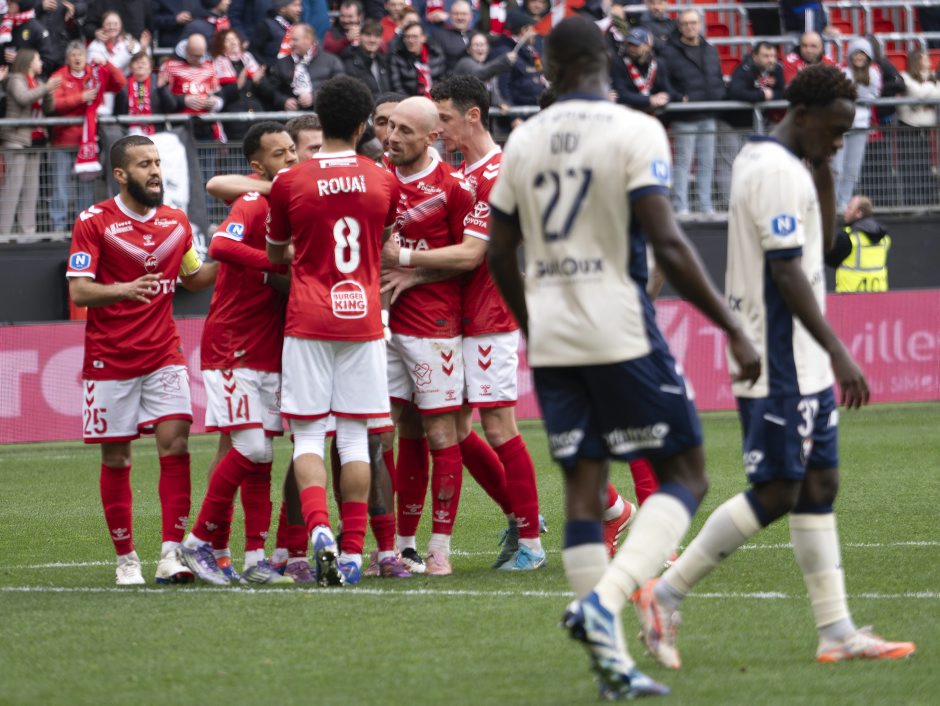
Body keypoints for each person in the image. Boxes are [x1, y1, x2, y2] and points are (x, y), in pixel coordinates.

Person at [486, 15, 760, 699]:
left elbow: (498, 251)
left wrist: (532, 325)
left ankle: (610, 663)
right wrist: (731, 326)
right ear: (604, 62)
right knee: (688, 473)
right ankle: (605, 604)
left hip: (553, 336)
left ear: (548, 68)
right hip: (619, 326)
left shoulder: (523, 140)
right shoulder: (635, 129)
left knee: (584, 485)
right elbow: (666, 240)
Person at [635, 63, 915, 671]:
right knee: (779, 489)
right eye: (834, 131)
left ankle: (835, 631)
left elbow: (829, 250)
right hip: (776, 356)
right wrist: (840, 351)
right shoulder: (770, 170)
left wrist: (825, 171)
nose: (839, 142)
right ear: (802, 115)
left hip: (804, 361)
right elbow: (788, 272)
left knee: (819, 486)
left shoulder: (796, 165)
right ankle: (665, 592)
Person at [381, 75, 547, 570]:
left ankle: (536, 540)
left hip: (490, 314)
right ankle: (521, 518)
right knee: (453, 426)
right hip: (458, 313)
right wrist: (417, 276)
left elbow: (474, 254)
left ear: (473, 116)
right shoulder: (464, 172)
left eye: (445, 119)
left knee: (497, 425)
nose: (439, 130)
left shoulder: (497, 172)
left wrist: (405, 261)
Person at [267, 75, 401, 586]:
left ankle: (319, 529)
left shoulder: (290, 181)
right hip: (362, 318)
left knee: (307, 435)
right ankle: (351, 554)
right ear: (364, 124)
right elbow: (383, 242)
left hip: (308, 317)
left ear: (319, 121)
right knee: (354, 438)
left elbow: (276, 254)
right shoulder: (382, 179)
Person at [65, 134, 217, 585]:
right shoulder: (94, 222)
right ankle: (126, 559)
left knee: (176, 445)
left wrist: (236, 255)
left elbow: (193, 278)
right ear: (120, 174)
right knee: (116, 458)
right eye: (144, 164)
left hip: (164, 353)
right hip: (109, 358)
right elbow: (79, 290)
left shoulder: (176, 221)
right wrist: (122, 290)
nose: (155, 172)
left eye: (157, 163)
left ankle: (171, 555)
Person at [177, 122, 297, 586]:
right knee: (250, 447)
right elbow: (222, 245)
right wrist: (274, 264)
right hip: (233, 345)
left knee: (263, 456)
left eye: (292, 150)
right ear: (257, 167)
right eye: (279, 153)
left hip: (269, 346)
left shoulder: (293, 203)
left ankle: (254, 560)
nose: (290, 158)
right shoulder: (253, 201)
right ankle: (199, 542)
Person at [382, 96, 480, 576]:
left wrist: (413, 271)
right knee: (387, 431)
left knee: (441, 432)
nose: (392, 137)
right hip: (379, 324)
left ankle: (440, 547)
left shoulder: (455, 187)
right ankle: (397, 546)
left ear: (431, 137)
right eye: (389, 127)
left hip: (434, 324)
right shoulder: (376, 177)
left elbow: (469, 257)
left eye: (404, 131)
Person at [48, 40, 126, 231]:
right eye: (73, 55)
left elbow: (120, 83)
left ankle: (83, 227)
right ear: (67, 59)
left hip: (87, 143)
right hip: (63, 141)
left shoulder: (94, 74)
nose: (77, 58)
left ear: (86, 57)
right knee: (60, 186)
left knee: (85, 188)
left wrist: (107, 64)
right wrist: (81, 98)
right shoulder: (59, 76)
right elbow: (54, 105)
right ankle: (58, 228)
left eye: (80, 55)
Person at [661, 8, 725, 217]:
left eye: (694, 23)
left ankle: (706, 206)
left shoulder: (710, 50)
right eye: (685, 23)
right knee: (683, 163)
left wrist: (717, 98)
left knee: (707, 163)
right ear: (679, 27)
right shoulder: (669, 52)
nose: (690, 27)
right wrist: (679, 98)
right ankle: (681, 207)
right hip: (684, 116)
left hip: (708, 114)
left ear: (700, 25)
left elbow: (716, 78)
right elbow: (664, 82)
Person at [0, 48, 59, 238]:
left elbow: (49, 108)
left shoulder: (40, 82)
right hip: (16, 139)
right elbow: (23, 98)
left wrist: (48, 92)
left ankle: (28, 233)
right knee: (13, 188)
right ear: (29, 62)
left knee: (31, 189)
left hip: (36, 139)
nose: (41, 63)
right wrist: (45, 88)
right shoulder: (15, 79)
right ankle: (4, 233)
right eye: (38, 59)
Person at [832, 38, 881, 212]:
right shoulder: (843, 72)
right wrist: (858, 97)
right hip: (842, 124)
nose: (859, 57)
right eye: (856, 53)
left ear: (868, 56)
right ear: (850, 55)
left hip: (861, 125)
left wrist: (855, 96)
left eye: (863, 54)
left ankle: (844, 202)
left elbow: (873, 95)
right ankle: (832, 202)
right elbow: (840, 94)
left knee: (853, 167)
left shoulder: (873, 73)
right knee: (837, 167)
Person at [259, 23, 344, 111]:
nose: (291, 43)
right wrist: (283, 101)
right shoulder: (282, 63)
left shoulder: (332, 61)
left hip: (322, 113)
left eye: (295, 40)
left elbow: (339, 87)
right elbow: (272, 89)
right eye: (290, 40)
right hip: (290, 116)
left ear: (308, 40)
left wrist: (315, 96)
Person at [160, 33, 223, 141]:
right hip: (180, 124)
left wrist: (214, 102)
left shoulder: (210, 67)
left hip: (205, 125)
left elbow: (219, 95)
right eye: (195, 55)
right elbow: (162, 97)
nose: (199, 59)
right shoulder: (169, 66)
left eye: (201, 55)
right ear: (186, 50)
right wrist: (183, 100)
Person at [898, 50, 940, 208]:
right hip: (908, 127)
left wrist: (925, 92)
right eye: (925, 58)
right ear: (917, 61)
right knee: (910, 168)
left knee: (924, 167)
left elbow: (936, 95)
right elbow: (915, 94)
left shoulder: (932, 77)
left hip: (926, 129)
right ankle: (911, 203)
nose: (929, 61)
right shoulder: (905, 76)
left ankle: (925, 201)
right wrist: (931, 87)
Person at [827, 195, 890, 293]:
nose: (845, 211)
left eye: (849, 208)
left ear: (859, 213)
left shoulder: (848, 237)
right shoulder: (884, 237)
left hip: (850, 296)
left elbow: (830, 260)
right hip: (879, 295)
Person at [210, 28, 265, 141]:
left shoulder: (249, 59)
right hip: (234, 121)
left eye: (234, 38)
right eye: (227, 40)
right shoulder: (216, 65)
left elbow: (268, 93)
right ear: (221, 46)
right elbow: (220, 96)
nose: (232, 42)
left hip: (257, 117)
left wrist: (259, 82)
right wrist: (237, 85)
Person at [609, 26, 677, 116]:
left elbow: (668, 89)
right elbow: (621, 93)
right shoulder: (619, 63)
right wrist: (649, 100)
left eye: (636, 45)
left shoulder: (658, 63)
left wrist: (665, 97)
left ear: (648, 46)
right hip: (627, 114)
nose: (632, 48)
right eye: (629, 44)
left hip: (654, 115)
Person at [113, 52, 180, 136]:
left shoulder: (158, 81)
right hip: (129, 132)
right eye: (137, 63)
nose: (140, 65)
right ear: (130, 67)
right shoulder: (123, 85)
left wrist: (162, 88)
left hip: (156, 131)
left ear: (150, 68)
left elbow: (171, 107)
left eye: (143, 63)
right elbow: (118, 111)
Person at [388, 20, 446, 97]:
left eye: (414, 37)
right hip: (410, 101)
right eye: (407, 37)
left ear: (423, 38)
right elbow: (397, 87)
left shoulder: (436, 54)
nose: (410, 40)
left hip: (435, 99)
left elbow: (442, 81)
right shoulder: (397, 58)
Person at [87, 9, 147, 76]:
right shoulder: (95, 46)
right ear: (102, 26)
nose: (112, 27)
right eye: (108, 24)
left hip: (129, 81)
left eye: (116, 24)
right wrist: (126, 52)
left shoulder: (129, 40)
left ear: (121, 25)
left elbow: (142, 63)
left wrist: (144, 48)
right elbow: (108, 70)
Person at [0, 0, 55, 73]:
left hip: (25, 77)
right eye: (8, 0)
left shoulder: (37, 29)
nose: (9, 3)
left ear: (24, 4)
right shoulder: (4, 24)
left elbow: (48, 62)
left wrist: (21, 59)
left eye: (13, 1)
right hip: (4, 75)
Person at [341, 18, 389, 98]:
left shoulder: (384, 61)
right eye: (368, 35)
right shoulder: (350, 61)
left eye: (376, 36)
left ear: (381, 39)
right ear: (359, 37)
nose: (372, 40)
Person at [427, 0, 475, 73]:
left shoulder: (476, 36)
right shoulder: (439, 36)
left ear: (470, 16)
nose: (459, 17)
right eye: (456, 14)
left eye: (463, 14)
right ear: (450, 15)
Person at [250, 0, 301, 67]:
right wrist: (268, 68)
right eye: (295, 5)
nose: (299, 9)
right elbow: (252, 51)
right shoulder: (266, 26)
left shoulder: (297, 28)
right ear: (282, 8)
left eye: (299, 5)